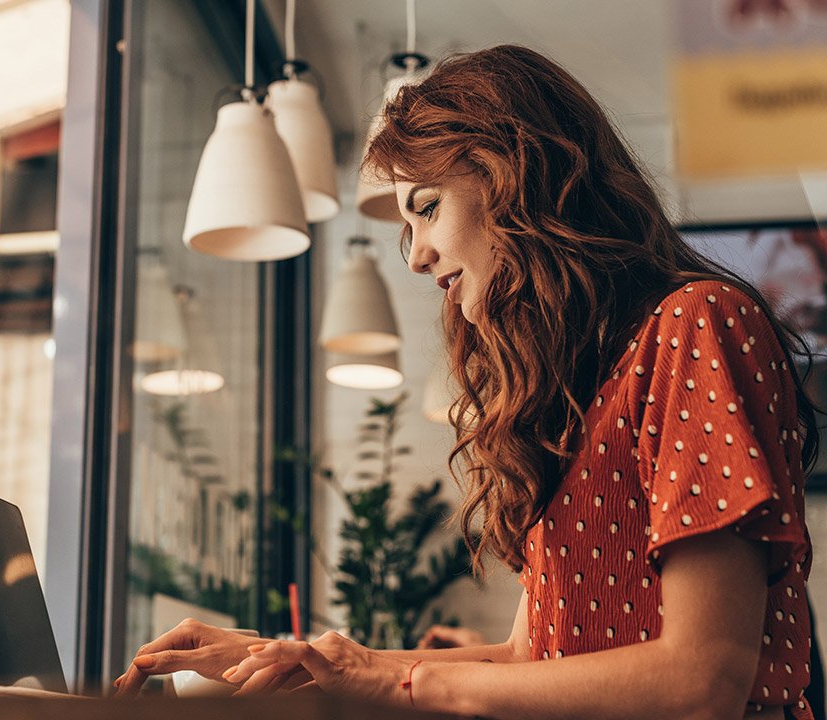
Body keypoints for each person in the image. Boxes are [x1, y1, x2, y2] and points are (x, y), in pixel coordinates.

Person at [115, 45, 820, 720]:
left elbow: (702, 683)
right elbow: (530, 657)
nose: (417, 256)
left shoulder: (694, 322)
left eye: (425, 207)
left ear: (513, 175)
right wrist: (301, 660)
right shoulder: (575, 393)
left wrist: (403, 685)